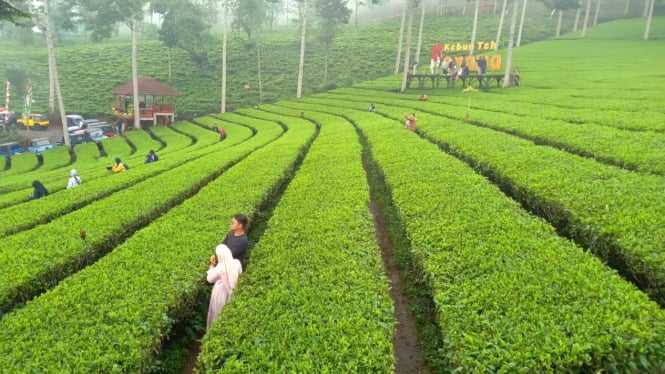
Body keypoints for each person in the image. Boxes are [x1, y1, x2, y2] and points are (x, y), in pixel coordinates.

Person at [206, 244, 242, 329]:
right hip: (234, 291)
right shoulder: (237, 263)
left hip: (220, 293)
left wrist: (211, 266)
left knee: (217, 313)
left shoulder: (220, 268)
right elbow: (240, 274)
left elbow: (209, 279)